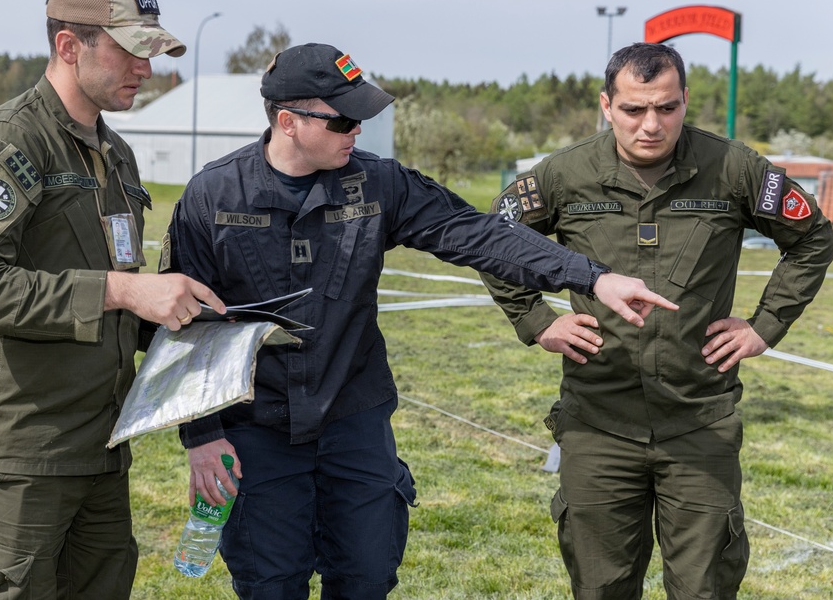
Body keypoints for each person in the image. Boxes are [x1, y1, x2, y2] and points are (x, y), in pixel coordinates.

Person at [163, 42, 677, 600]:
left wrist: (590, 276)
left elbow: (477, 235)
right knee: (270, 584)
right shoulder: (211, 197)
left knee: (366, 578)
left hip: (352, 423)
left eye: (360, 117)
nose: (356, 130)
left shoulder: (380, 184)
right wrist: (202, 436)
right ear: (288, 121)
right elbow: (184, 327)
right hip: (254, 427)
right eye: (341, 119)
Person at [482, 42, 833, 600]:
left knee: (703, 589)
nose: (651, 124)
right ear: (606, 105)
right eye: (634, 109)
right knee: (601, 589)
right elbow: (494, 239)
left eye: (667, 108)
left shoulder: (734, 168)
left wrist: (765, 325)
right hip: (598, 422)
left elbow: (812, 238)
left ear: (685, 101)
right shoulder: (564, 174)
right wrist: (535, 319)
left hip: (699, 421)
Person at [0, 0, 224, 599]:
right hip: (24, 452)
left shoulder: (114, 153)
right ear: (70, 46)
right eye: (131, 50)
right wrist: (123, 292)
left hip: (101, 445)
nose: (146, 69)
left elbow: (117, 278)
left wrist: (183, 310)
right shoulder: (11, 140)